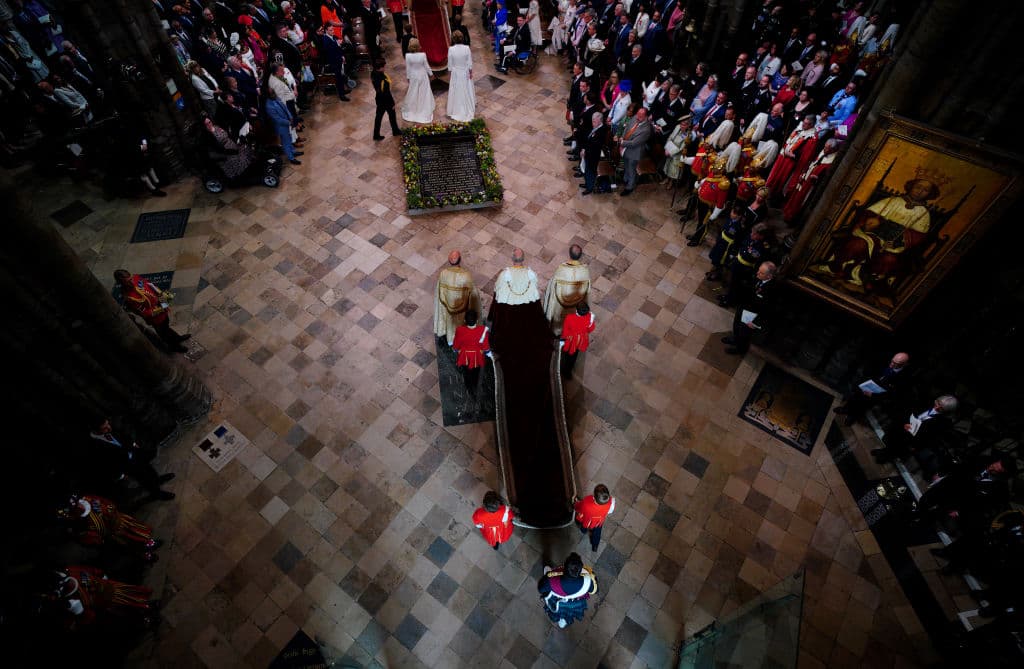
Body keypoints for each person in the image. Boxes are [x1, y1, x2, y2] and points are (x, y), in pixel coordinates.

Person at [86, 417, 176, 501]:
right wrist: (120, 475)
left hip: (132, 452)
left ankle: (157, 480)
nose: (109, 428)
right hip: (125, 464)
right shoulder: (95, 445)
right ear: (96, 431)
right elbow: (106, 463)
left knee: (148, 468)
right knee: (143, 478)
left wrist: (132, 443)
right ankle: (157, 493)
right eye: (105, 428)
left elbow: (121, 434)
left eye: (108, 424)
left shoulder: (109, 428)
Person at [59, 494, 162, 562]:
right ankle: (144, 555)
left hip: (120, 520)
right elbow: (92, 536)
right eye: (75, 506)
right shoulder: (80, 524)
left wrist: (111, 510)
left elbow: (105, 502)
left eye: (77, 503)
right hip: (115, 534)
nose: (79, 505)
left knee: (135, 531)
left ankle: (148, 542)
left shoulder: (87, 499)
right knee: (130, 545)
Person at [51, 566, 157, 629]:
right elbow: (89, 617)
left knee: (127, 592)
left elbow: (87, 572)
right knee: (125, 609)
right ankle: (144, 612)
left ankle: (145, 603)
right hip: (105, 602)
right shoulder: (66, 601)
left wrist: (100, 574)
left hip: (107, 586)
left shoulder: (71, 571)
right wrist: (80, 612)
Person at [871, 395, 959, 468]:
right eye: (938, 403)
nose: (937, 407)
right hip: (904, 426)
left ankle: (884, 456)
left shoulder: (944, 423)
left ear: (946, 411)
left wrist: (916, 446)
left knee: (897, 448)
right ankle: (883, 451)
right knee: (891, 440)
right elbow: (910, 410)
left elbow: (931, 438)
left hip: (914, 437)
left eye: (941, 408)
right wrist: (905, 423)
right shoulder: (926, 401)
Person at [114, 269, 190, 353]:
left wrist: (164, 298)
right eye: (127, 282)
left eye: (130, 279)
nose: (131, 282)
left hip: (161, 306)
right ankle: (175, 347)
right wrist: (161, 308)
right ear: (121, 283)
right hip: (156, 318)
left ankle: (178, 338)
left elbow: (151, 287)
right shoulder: (129, 298)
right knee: (164, 333)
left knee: (167, 327)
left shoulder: (136, 278)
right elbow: (145, 313)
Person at [833, 352, 911, 425]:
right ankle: (845, 409)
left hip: (875, 395)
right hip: (868, 384)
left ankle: (853, 416)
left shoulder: (903, 378)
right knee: (854, 398)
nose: (891, 364)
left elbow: (891, 394)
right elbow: (873, 370)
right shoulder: (885, 360)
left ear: (904, 365)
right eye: (892, 361)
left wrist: (873, 395)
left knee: (863, 405)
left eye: (896, 364)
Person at [723, 261, 778, 355]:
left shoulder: (772, 289)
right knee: (737, 325)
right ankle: (735, 339)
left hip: (752, 314)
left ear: (769, 277)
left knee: (744, 334)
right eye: (759, 271)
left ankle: (740, 349)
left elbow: (767, 309)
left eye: (761, 273)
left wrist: (755, 322)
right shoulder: (757, 277)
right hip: (744, 305)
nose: (757, 273)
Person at [538, 552, 598, 628]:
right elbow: (595, 590)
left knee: (558, 611)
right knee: (569, 613)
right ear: (580, 570)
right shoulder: (588, 581)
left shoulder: (551, 580)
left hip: (558, 602)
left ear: (564, 568)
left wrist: (548, 576)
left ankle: (560, 619)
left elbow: (541, 589)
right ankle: (563, 622)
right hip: (575, 603)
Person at [433, 250, 481, 345]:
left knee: (449, 322)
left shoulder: (443, 273)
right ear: (460, 260)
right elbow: (473, 296)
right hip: (462, 312)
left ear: (449, 261)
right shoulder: (466, 275)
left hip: (448, 311)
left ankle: (449, 340)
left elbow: (439, 294)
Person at [543, 245, 591, 332]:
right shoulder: (584, 270)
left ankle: (556, 330)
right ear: (580, 255)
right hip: (575, 307)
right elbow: (587, 290)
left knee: (559, 319)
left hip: (560, 307)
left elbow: (553, 285)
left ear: (569, 254)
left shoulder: (562, 269)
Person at [452, 309, 490, 391]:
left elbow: (456, 345)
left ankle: (468, 386)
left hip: (464, 355)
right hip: (477, 356)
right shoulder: (483, 330)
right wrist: (486, 351)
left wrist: (456, 350)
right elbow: (486, 347)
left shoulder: (459, 330)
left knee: (466, 371)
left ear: (465, 320)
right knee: (476, 372)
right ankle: (475, 385)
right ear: (476, 320)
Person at [618, 106, 651, 196]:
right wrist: (623, 137)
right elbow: (627, 128)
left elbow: (634, 143)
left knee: (631, 169)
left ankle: (630, 187)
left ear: (646, 117)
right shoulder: (635, 118)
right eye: (638, 114)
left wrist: (622, 142)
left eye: (641, 115)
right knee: (626, 165)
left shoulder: (646, 129)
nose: (638, 117)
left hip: (634, 152)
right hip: (625, 148)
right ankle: (625, 179)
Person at [265, 86, 301, 165]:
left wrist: (290, 117)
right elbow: (277, 119)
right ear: (268, 95)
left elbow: (285, 107)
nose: (274, 94)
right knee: (286, 142)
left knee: (289, 138)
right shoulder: (269, 106)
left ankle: (293, 152)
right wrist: (289, 122)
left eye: (274, 92)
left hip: (287, 121)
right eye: (272, 93)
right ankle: (291, 158)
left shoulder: (276, 98)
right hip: (281, 126)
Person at [574, 484, 615, 551]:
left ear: (594, 497)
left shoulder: (587, 501)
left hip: (587, 520)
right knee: (597, 533)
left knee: (584, 526)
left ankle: (583, 531)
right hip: (598, 522)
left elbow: (579, 507)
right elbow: (609, 511)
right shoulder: (610, 503)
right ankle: (595, 546)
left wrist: (575, 505)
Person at [402, 39, 434, 123]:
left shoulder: (408, 56)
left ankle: (413, 109)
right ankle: (423, 107)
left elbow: (408, 68)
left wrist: (408, 78)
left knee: (413, 92)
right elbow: (426, 66)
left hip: (414, 76)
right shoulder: (423, 55)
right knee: (424, 92)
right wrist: (431, 74)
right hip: (423, 75)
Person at [446, 31, 476, 122]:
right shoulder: (467, 48)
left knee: (456, 90)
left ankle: (456, 108)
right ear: (462, 38)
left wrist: (450, 74)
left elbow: (450, 65)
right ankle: (468, 106)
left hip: (455, 73)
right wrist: (470, 72)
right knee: (466, 89)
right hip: (465, 71)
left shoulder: (451, 49)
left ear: (453, 39)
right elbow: (469, 62)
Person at [560, 302, 594, 377]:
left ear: (576, 310)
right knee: (574, 355)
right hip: (580, 340)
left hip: (571, 339)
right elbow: (590, 329)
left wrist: (562, 340)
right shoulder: (589, 317)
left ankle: (564, 369)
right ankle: (568, 370)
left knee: (568, 354)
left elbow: (565, 331)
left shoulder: (569, 317)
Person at [371, 59, 401, 140]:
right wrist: (392, 103)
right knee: (392, 116)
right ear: (380, 68)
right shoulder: (383, 80)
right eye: (384, 67)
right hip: (386, 101)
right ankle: (395, 131)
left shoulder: (373, 73)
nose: (385, 68)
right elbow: (386, 93)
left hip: (379, 99)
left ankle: (376, 135)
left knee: (378, 117)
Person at [580, 111, 607, 195]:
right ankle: (587, 183)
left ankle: (589, 187)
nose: (593, 123)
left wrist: (585, 151)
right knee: (587, 169)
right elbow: (588, 139)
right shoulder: (596, 127)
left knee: (590, 171)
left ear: (600, 121)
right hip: (588, 152)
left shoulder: (601, 131)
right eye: (592, 121)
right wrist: (583, 149)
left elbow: (594, 146)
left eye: (594, 121)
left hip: (593, 155)